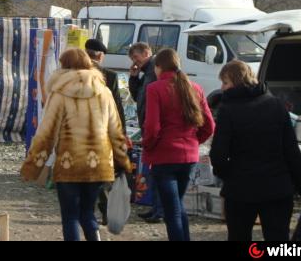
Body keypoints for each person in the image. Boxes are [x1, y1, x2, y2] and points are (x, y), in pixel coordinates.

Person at [21, 48, 132, 242]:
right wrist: (124, 162)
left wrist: (32, 166)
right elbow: (116, 131)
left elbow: (46, 134)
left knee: (70, 216)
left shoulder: (59, 94)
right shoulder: (104, 92)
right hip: (99, 163)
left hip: (69, 163)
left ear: (63, 66)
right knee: (88, 213)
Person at [210, 60, 301, 241]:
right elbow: (291, 150)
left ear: (237, 82)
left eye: (225, 82)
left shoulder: (228, 110)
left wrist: (228, 175)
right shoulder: (276, 105)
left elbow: (218, 155)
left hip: (240, 190)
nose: (222, 88)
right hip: (277, 188)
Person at [142, 48, 215, 241]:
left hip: (164, 156)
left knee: (171, 210)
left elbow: (152, 127)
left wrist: (148, 146)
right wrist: (194, 141)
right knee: (177, 204)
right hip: (189, 156)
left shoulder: (155, 89)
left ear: (159, 67)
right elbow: (209, 125)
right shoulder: (195, 88)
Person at [85, 38, 127, 225]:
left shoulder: (71, 74)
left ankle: (86, 210)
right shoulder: (109, 76)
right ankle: (104, 210)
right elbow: (117, 108)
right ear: (100, 56)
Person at [128, 42, 163, 222]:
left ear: (147, 52)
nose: (135, 61)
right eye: (133, 58)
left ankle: (159, 210)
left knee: (158, 171)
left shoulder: (155, 70)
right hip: (147, 125)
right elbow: (138, 97)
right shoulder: (146, 73)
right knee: (154, 170)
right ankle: (156, 208)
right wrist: (134, 78)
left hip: (154, 128)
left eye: (136, 57)